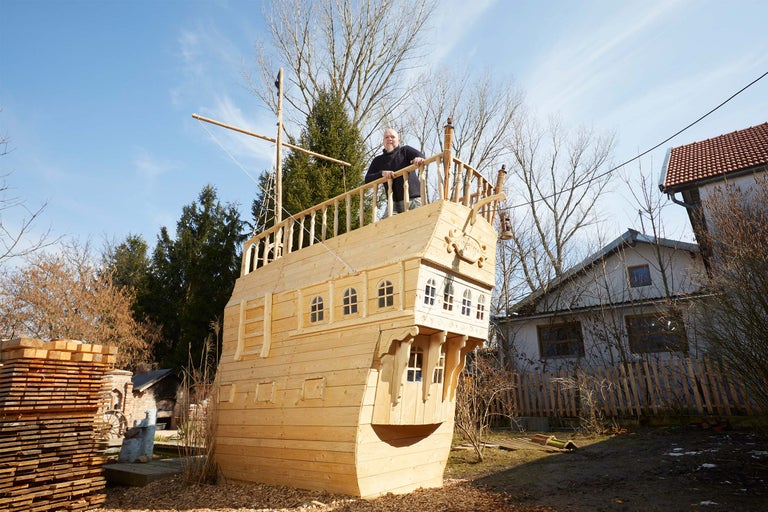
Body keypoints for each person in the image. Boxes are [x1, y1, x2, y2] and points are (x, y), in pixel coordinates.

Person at [364, 128, 425, 215]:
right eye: (386, 137)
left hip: (413, 199)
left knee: (420, 224)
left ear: (398, 140)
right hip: (393, 203)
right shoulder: (378, 160)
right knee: (384, 227)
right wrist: (381, 173)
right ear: (383, 141)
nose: (389, 139)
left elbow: (421, 156)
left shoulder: (405, 151)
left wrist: (418, 158)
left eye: (392, 137)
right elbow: (367, 180)